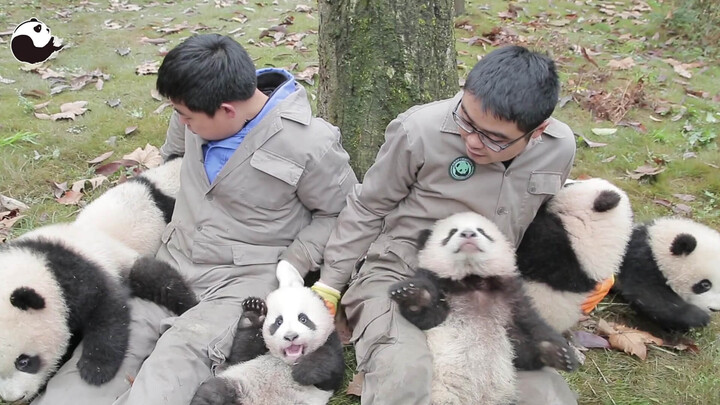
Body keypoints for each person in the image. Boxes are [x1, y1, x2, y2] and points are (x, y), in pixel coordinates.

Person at [33, 33, 357, 405]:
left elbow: (341, 212)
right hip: (172, 261)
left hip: (241, 280)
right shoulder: (191, 111)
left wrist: (295, 262)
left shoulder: (309, 143)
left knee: (177, 359)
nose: (182, 123)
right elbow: (172, 166)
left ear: (227, 110)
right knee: (107, 347)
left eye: (188, 117)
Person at [314, 45, 579, 404]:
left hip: (488, 288)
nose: (472, 140)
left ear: (537, 131)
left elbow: (537, 220)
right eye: (466, 121)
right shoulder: (418, 130)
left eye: (494, 138)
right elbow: (367, 207)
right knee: (406, 374)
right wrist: (330, 285)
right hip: (401, 273)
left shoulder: (559, 147)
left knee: (544, 395)